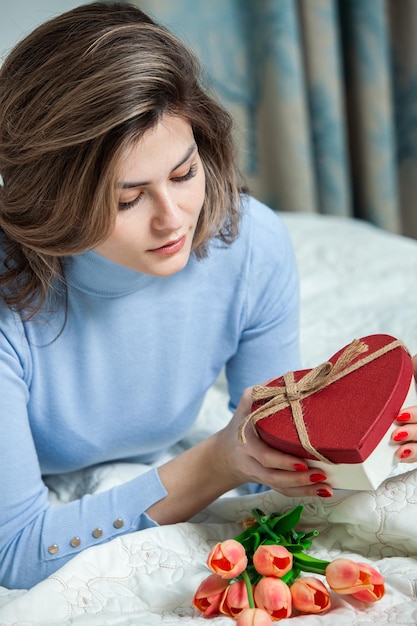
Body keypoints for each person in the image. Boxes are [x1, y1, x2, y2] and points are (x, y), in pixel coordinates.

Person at [0, 2, 415, 590]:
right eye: (127, 199)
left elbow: (272, 461)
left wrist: (382, 444)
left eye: (184, 172)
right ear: (51, 199)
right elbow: (15, 552)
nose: (174, 220)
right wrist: (216, 461)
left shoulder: (246, 243)